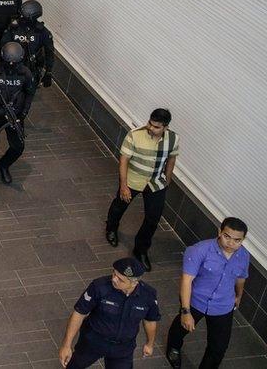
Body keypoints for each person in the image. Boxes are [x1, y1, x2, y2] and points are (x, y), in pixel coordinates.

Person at [166, 217, 250, 369]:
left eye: (237, 240)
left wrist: (238, 296)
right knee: (180, 328)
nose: (231, 243)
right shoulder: (199, 250)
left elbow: (240, 279)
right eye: (227, 236)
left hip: (223, 305)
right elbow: (186, 281)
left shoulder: (243, 256)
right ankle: (173, 348)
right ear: (219, 232)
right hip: (196, 300)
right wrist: (186, 311)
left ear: (243, 240)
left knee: (218, 348)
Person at [104, 108, 179, 271]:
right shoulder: (135, 135)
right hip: (133, 180)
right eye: (150, 124)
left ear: (165, 127)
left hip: (156, 183)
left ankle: (141, 249)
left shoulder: (173, 139)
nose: (151, 128)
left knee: (153, 218)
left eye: (156, 127)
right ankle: (111, 228)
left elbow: (172, 158)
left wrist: (168, 178)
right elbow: (124, 160)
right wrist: (124, 185)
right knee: (120, 205)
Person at [58, 257, 159, 368]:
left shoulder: (148, 295)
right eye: (114, 274)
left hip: (123, 349)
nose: (114, 279)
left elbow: (150, 320)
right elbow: (79, 313)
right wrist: (66, 345)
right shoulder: (99, 287)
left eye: (120, 279)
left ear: (134, 283)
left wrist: (150, 344)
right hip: (93, 342)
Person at [0, 42, 37, 185]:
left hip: (15, 115)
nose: (11, 66)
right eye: (8, 63)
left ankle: (3, 164)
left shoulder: (25, 73)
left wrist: (25, 111)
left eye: (14, 63)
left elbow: (30, 93)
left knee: (18, 146)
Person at [0, 0, 55, 88]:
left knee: (29, 91)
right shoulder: (14, 27)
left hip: (32, 67)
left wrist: (48, 72)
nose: (21, 17)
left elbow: (49, 53)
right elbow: (3, 45)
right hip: (13, 65)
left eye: (24, 15)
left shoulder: (42, 32)